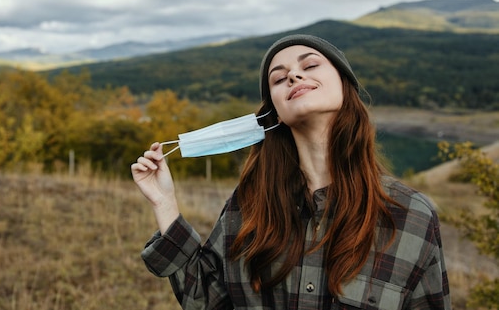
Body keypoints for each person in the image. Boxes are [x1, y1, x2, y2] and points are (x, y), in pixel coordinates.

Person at [131, 35, 451, 310]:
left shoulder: (411, 216)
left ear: (344, 84)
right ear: (275, 112)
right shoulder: (248, 205)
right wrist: (164, 203)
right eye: (278, 78)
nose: (294, 77)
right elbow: (206, 300)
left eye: (309, 66)